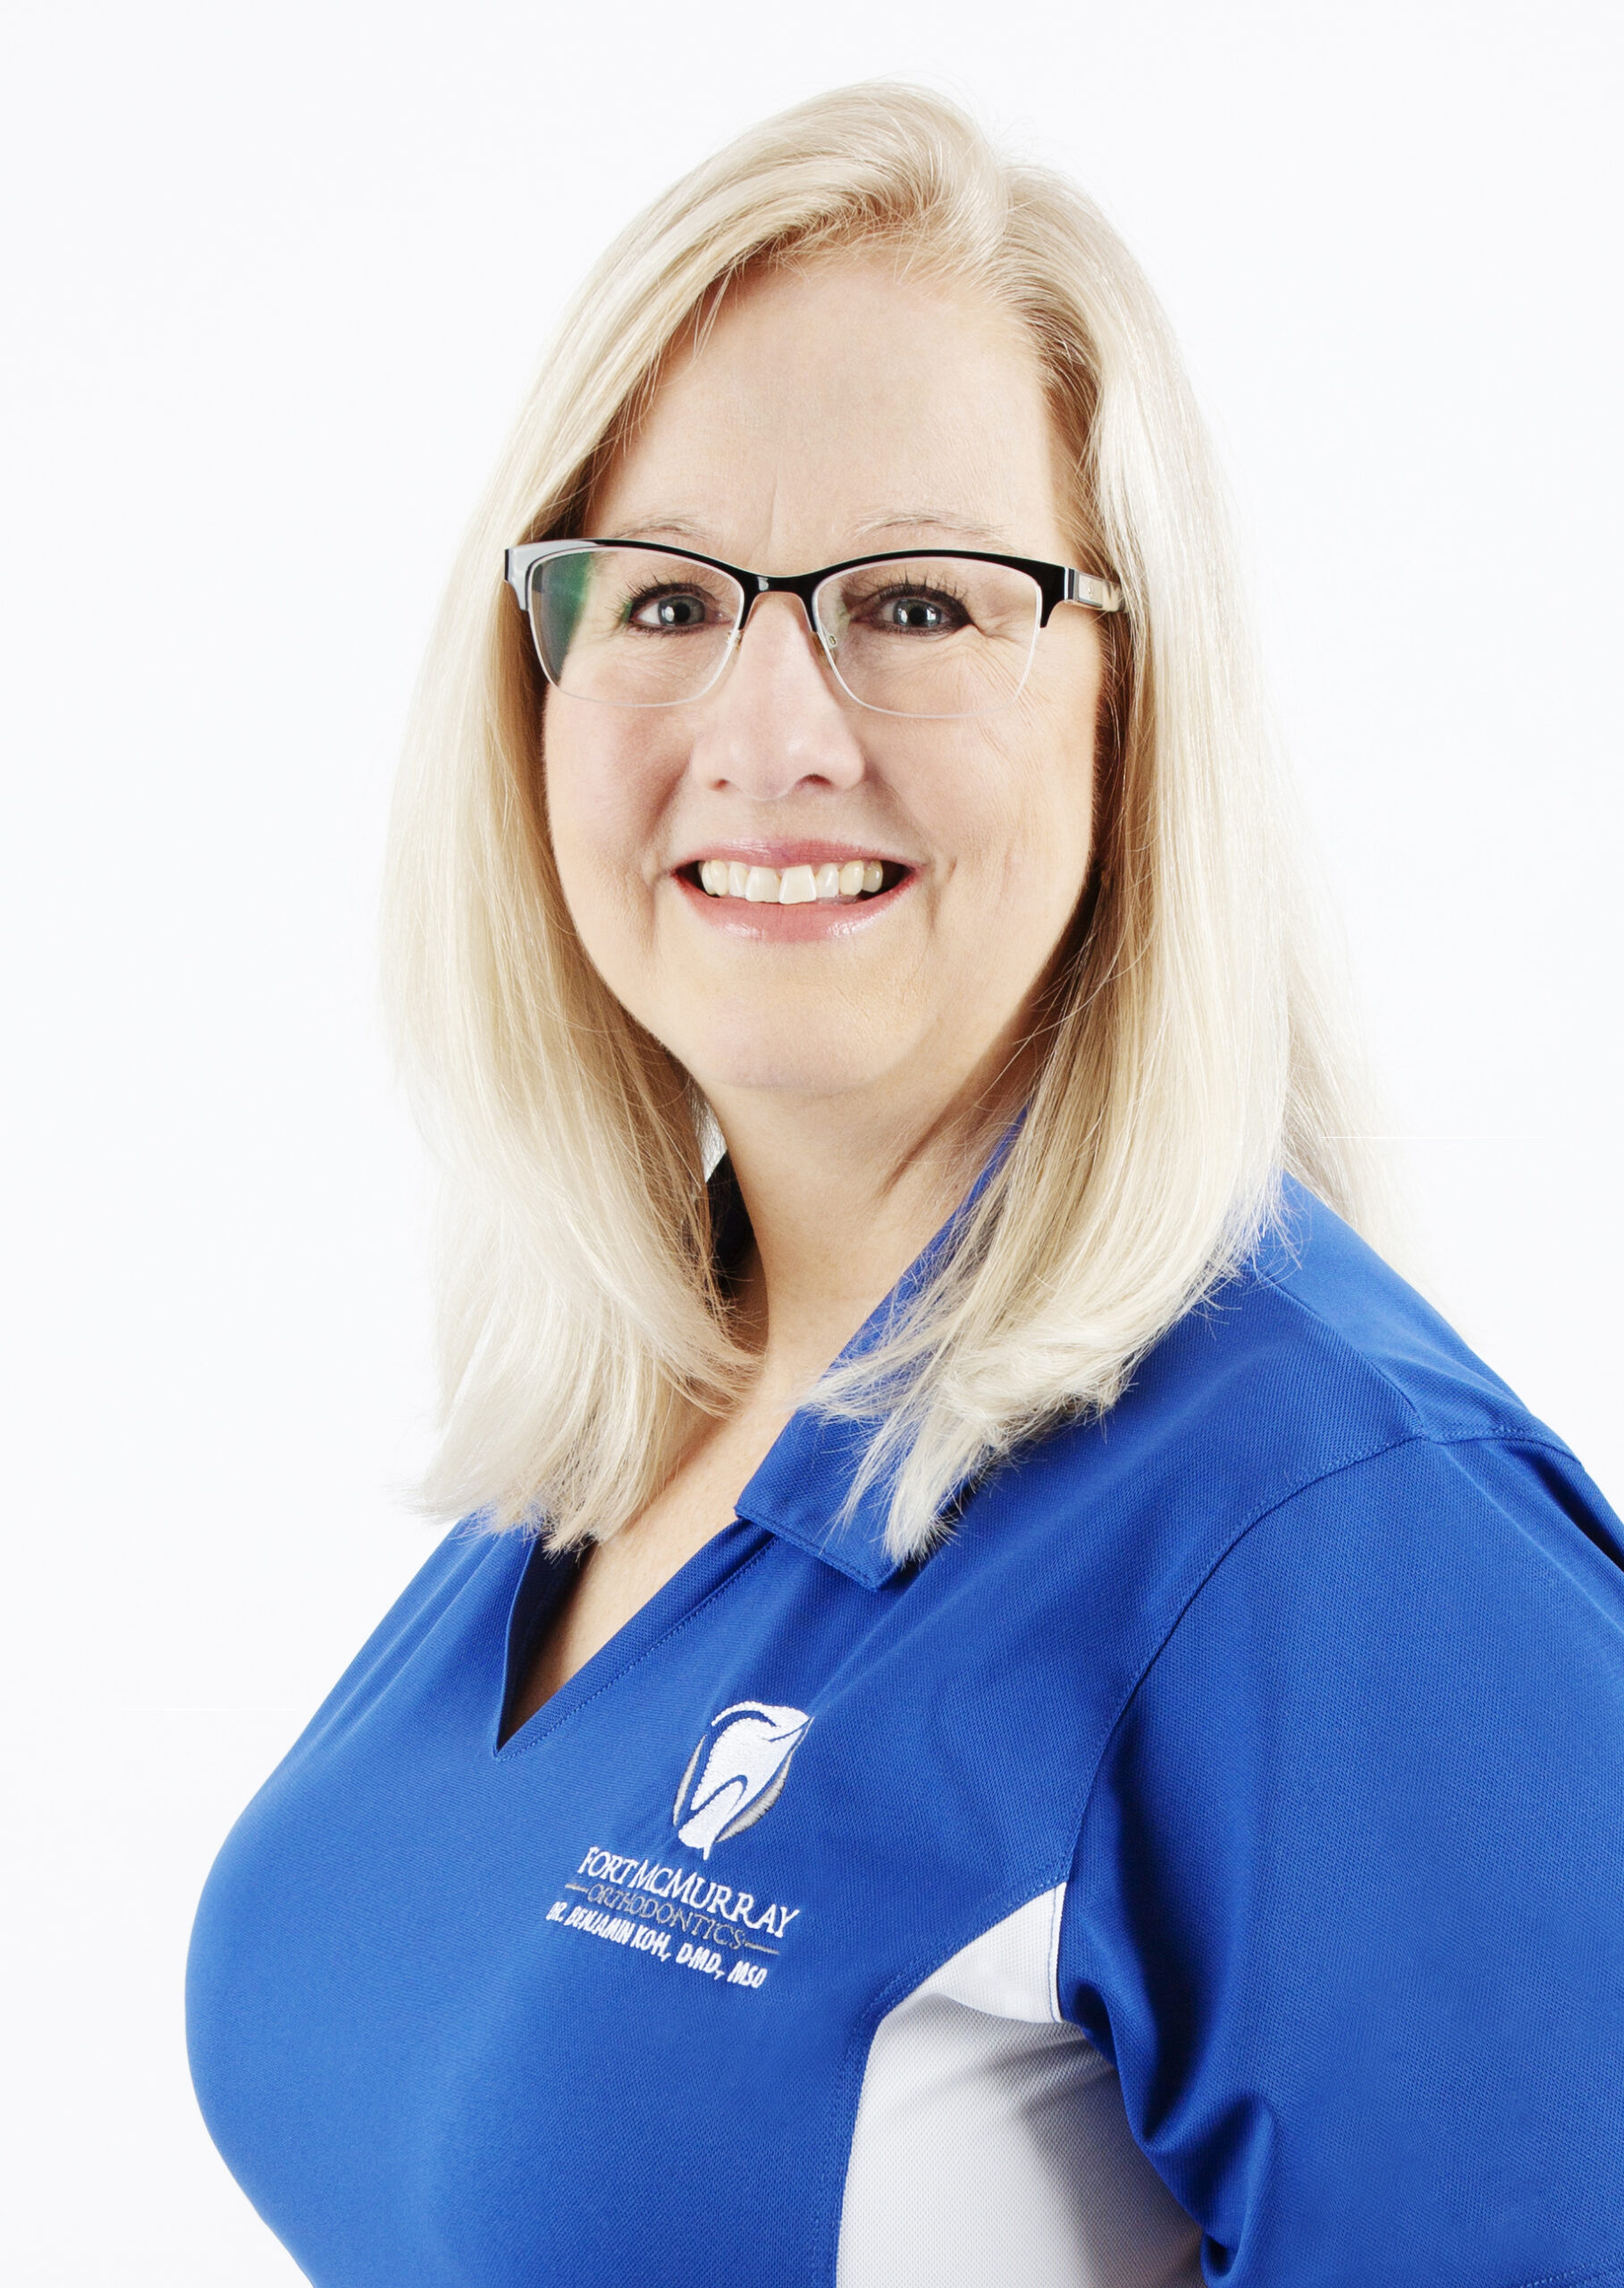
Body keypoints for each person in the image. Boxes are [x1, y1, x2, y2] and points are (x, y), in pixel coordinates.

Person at [185, 83, 1624, 2288]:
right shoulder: (631, 1405)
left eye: (921, 602)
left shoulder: (1339, 1540)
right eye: (669, 598)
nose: (771, 732)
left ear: (1132, 709)